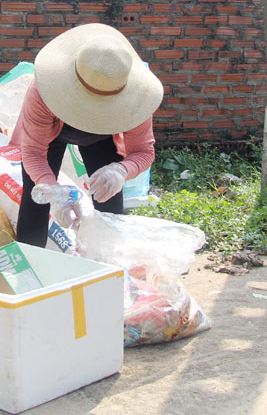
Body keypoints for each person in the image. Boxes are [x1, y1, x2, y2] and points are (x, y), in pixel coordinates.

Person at [10, 23, 163, 247]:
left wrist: (120, 171)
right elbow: (33, 153)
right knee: (37, 198)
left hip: (103, 138)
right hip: (53, 131)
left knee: (109, 202)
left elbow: (143, 152)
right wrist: (54, 192)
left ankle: (106, 261)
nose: (89, 115)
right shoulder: (44, 91)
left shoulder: (138, 99)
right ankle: (29, 259)